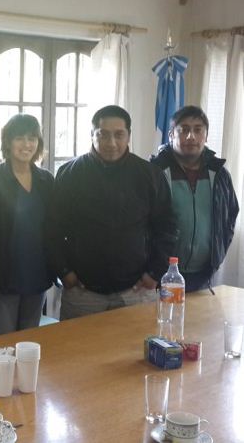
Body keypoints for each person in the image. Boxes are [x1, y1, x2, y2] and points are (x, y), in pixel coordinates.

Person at [50, 105, 177, 320]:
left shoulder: (149, 175)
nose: (111, 143)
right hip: (82, 292)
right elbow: (52, 229)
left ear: (128, 136)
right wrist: (64, 272)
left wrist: (155, 273)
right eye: (103, 135)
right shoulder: (69, 174)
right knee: (81, 343)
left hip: (136, 290)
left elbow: (167, 228)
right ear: (92, 135)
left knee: (137, 343)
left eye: (119, 135)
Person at [0, 115, 55, 334]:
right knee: (5, 340)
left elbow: (54, 227)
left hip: (37, 274)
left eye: (32, 138)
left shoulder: (46, 180)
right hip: (2, 277)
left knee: (30, 338)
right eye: (19, 138)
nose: (27, 144)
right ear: (8, 142)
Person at [150, 106, 239, 292]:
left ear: (206, 136)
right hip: (159, 274)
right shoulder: (154, 172)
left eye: (198, 130)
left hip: (203, 275)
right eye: (184, 130)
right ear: (171, 135)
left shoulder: (219, 174)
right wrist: (151, 269)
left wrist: (217, 255)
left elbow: (230, 215)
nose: (191, 136)